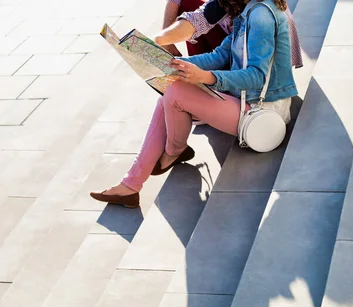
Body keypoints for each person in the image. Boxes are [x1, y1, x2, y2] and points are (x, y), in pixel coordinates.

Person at [90, 0, 298, 208]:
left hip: (262, 111)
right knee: (169, 90)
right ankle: (131, 185)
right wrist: (171, 64)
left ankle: (174, 150)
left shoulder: (261, 16)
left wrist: (206, 77)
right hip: (244, 101)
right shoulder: (249, 10)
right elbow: (220, 55)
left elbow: (257, 76)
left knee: (174, 91)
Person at [156, 0, 302, 67]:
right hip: (243, 73)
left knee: (176, 95)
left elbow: (255, 76)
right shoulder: (231, 3)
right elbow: (197, 20)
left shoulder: (263, 12)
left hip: (262, 95)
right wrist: (160, 40)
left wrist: (206, 78)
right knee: (171, 96)